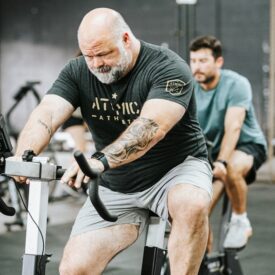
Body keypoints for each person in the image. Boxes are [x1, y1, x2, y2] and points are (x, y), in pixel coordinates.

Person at [13, 8, 213, 275]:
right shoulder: (76, 71)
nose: (96, 64)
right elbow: (47, 113)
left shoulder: (167, 66)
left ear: (126, 39)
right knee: (74, 269)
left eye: (104, 53)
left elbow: (152, 126)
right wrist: (23, 156)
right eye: (89, 56)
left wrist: (101, 161)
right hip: (116, 184)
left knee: (192, 203)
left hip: (175, 170)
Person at [189, 35, 267, 250]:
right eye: (193, 61)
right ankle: (201, 261)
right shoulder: (189, 88)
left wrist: (222, 162)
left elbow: (233, 127)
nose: (197, 67)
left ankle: (241, 220)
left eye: (203, 61)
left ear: (218, 62)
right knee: (197, 212)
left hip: (246, 145)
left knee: (230, 167)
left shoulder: (236, 84)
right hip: (212, 153)